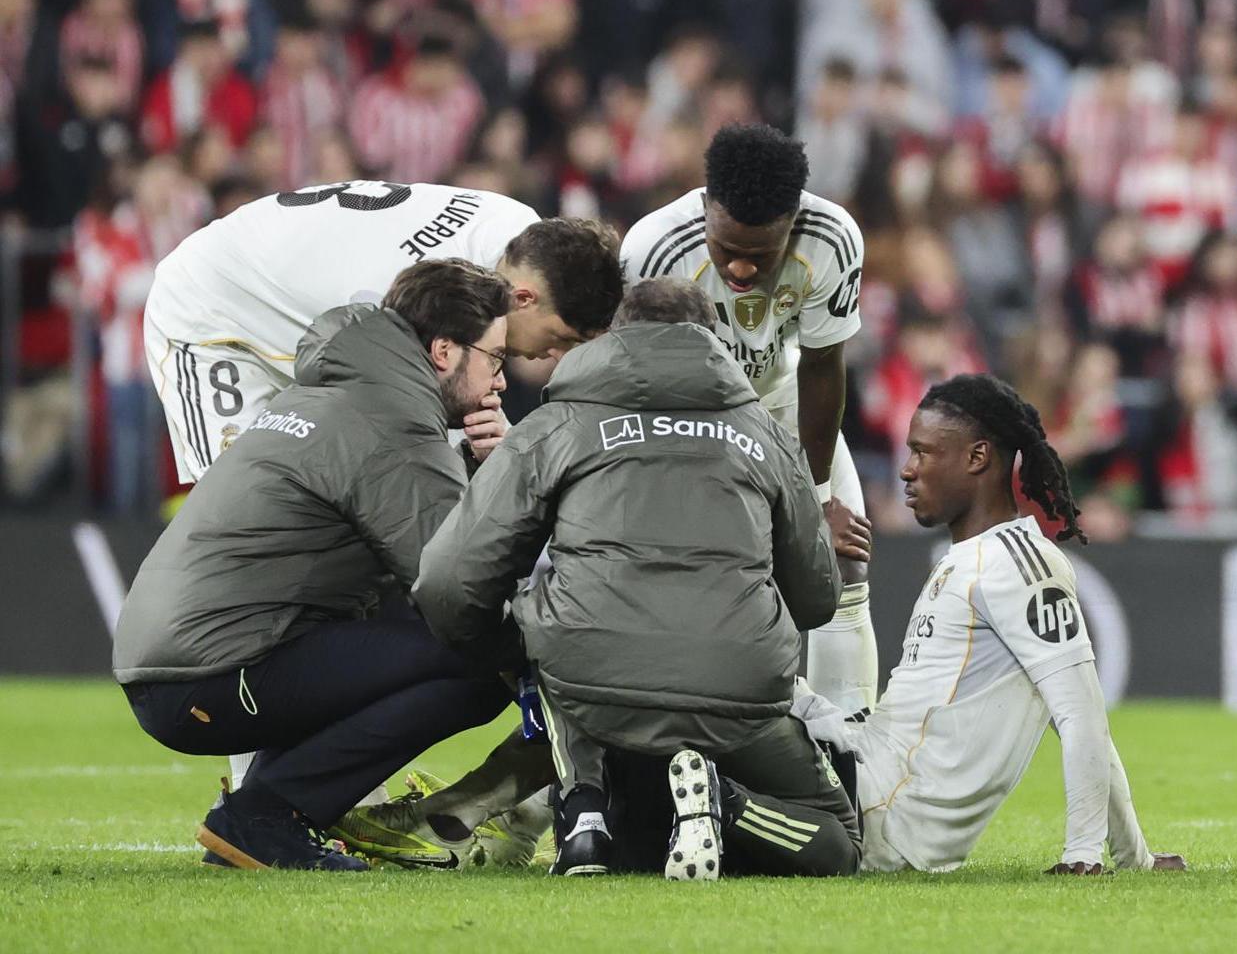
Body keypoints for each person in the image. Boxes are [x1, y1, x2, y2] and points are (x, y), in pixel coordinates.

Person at [408, 277, 860, 881]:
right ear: (713, 342)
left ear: (615, 338)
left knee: (559, 629)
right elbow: (817, 596)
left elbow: (448, 578)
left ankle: (585, 815)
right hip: (735, 692)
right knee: (839, 840)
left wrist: (507, 651)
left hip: (590, 682)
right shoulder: (768, 436)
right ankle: (724, 803)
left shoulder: (557, 422)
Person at [112, 260, 517, 871]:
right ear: (443, 351)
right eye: (495, 357)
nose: (502, 379)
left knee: (398, 634)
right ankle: (267, 815)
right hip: (211, 672)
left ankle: (263, 812)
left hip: (186, 663)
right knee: (483, 658)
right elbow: (458, 584)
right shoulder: (396, 423)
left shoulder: (333, 390)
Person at [789, 374, 1180, 874]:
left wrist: (1084, 852)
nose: (906, 471)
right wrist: (1134, 856)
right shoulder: (970, 560)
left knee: (732, 710)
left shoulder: (1019, 565)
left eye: (923, 453)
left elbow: (1082, 715)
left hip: (880, 814)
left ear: (977, 458)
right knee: (753, 687)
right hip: (865, 765)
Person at [620, 125, 878, 714]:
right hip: (687, 420)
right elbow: (638, 383)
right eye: (726, 248)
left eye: (762, 255)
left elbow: (821, 368)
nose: (739, 269)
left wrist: (812, 504)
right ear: (707, 206)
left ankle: (855, 752)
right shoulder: (652, 249)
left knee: (845, 558)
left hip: (782, 401)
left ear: (793, 220)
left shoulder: (833, 237)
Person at [143, 185, 622, 484]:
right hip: (213, 305)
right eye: (563, 337)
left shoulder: (520, 230)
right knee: (237, 502)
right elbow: (405, 452)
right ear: (523, 298)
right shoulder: (412, 302)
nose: (555, 354)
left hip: (296, 292)